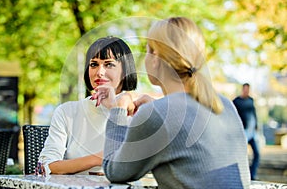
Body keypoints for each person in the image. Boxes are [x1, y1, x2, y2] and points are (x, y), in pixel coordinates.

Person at [95, 17, 251, 188]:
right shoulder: (225, 104)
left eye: (147, 50)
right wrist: (156, 107)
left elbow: (114, 171)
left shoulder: (158, 115)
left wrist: (117, 112)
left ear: (155, 56)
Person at [36, 36, 137, 176]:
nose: (99, 72)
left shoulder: (139, 110)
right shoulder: (67, 112)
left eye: (109, 64)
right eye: (94, 64)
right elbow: (47, 166)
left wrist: (124, 102)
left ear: (126, 72)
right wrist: (100, 158)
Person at [233, 83, 260, 180]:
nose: (246, 91)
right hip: (243, 132)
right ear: (242, 89)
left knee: (257, 154)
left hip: (252, 132)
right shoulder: (236, 101)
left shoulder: (251, 100)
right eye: (245, 89)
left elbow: (254, 113)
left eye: (248, 89)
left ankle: (252, 175)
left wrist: (256, 126)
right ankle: (242, 175)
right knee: (241, 154)